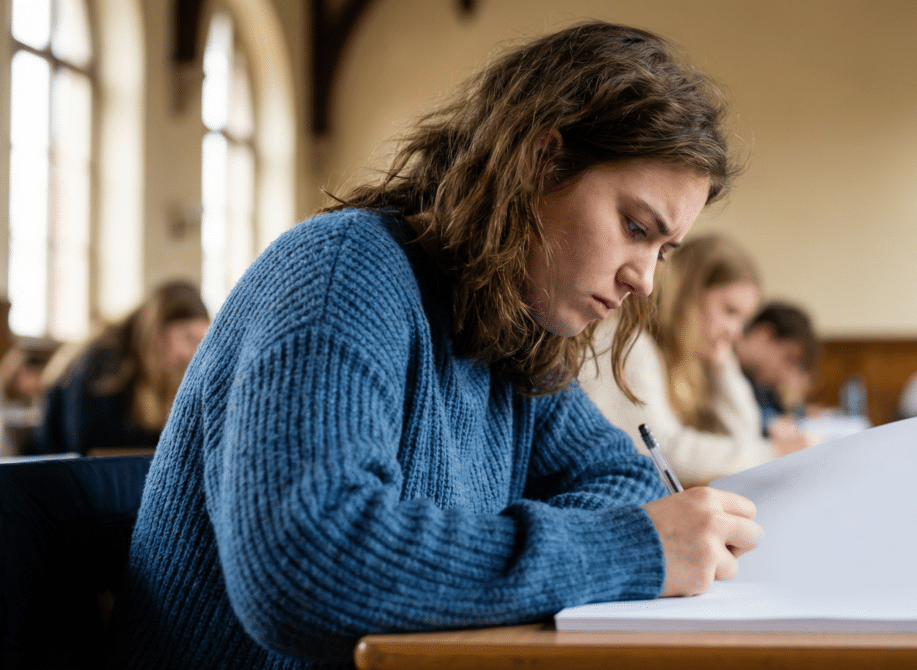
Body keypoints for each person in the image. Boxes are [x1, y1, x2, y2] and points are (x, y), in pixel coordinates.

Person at [107, 23, 764, 668]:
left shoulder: (511, 329)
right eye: (633, 226)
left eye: (664, 251)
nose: (644, 281)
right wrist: (625, 552)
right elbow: (309, 567)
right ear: (539, 161)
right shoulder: (343, 273)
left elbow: (622, 478)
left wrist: (464, 562)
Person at [580, 235, 806, 489]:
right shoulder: (628, 340)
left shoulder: (686, 358)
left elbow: (744, 436)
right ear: (686, 293)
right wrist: (772, 453)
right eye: (729, 311)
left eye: (742, 320)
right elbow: (664, 453)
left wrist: (723, 365)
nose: (736, 332)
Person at [36, 280, 209, 456]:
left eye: (199, 342)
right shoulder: (105, 358)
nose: (191, 354)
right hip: (57, 473)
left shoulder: (155, 368)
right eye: (188, 338)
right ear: (156, 328)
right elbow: (94, 445)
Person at [735, 302, 819, 434]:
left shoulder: (757, 382)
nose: (786, 375)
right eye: (788, 359)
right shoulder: (718, 365)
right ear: (764, 335)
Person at [0, 340, 56, 461]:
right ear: (17, 371)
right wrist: (27, 417)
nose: (35, 383)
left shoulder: (13, 393)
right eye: (32, 375)